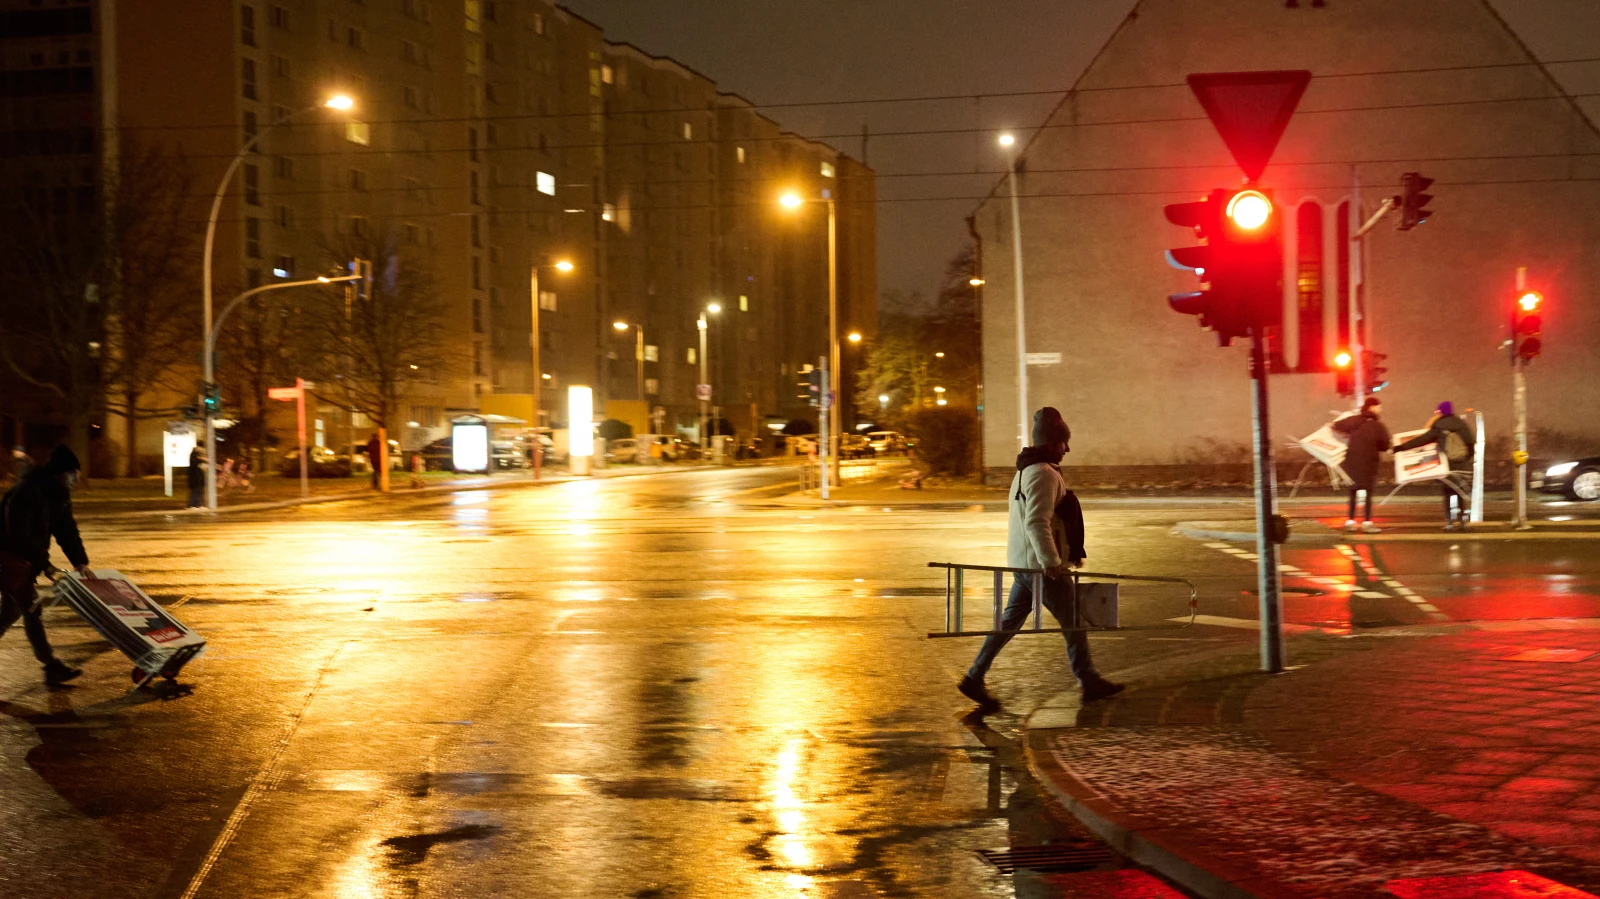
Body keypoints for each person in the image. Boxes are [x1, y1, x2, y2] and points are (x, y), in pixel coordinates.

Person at [959, 407, 1124, 712]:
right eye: (1063, 442)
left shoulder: (1026, 470)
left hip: (1025, 565)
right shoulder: (1043, 474)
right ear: (1051, 443)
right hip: (1039, 567)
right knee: (1073, 623)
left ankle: (974, 676)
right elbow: (1036, 521)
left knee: (1008, 624)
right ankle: (1088, 681)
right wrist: (1051, 562)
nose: (1067, 448)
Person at [0, 446, 94, 685]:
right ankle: (51, 666)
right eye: (72, 474)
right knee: (31, 609)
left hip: (21, 564)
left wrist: (80, 562)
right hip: (8, 560)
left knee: (10, 612)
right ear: (59, 472)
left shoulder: (58, 495)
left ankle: (51, 666)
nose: (76, 479)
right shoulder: (26, 492)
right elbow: (19, 536)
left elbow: (67, 530)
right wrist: (45, 565)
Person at [1394, 401, 1476, 530]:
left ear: (1441, 412)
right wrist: (1466, 458)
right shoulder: (1462, 424)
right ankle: (1462, 522)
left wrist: (1401, 447)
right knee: (1460, 492)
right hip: (1461, 464)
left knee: (1447, 493)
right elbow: (1471, 443)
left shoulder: (1439, 425)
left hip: (1446, 465)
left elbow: (1422, 440)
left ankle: (1449, 522)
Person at [1332, 396, 1391, 534]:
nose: (1380, 409)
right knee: (1368, 493)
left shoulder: (1354, 420)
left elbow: (1336, 425)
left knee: (1352, 492)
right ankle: (1367, 522)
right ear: (1372, 407)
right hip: (1369, 463)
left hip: (1352, 462)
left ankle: (1350, 522)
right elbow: (1384, 445)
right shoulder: (1377, 426)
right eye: (1379, 407)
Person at [186, 445, 206, 509]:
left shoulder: (198, 455)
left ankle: (198, 505)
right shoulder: (194, 455)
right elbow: (195, 464)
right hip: (195, 478)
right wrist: (201, 463)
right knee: (195, 492)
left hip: (199, 478)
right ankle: (192, 505)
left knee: (199, 491)